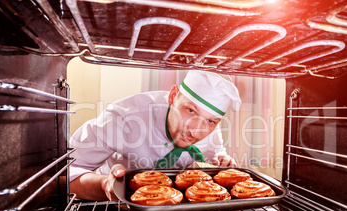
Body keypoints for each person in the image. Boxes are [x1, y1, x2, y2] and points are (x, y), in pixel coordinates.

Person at [69, 70, 241, 201]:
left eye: (211, 121)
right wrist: (104, 185)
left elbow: (215, 153)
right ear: (173, 95)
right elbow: (64, 176)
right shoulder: (123, 120)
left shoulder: (209, 129)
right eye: (190, 110)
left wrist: (221, 159)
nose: (196, 131)